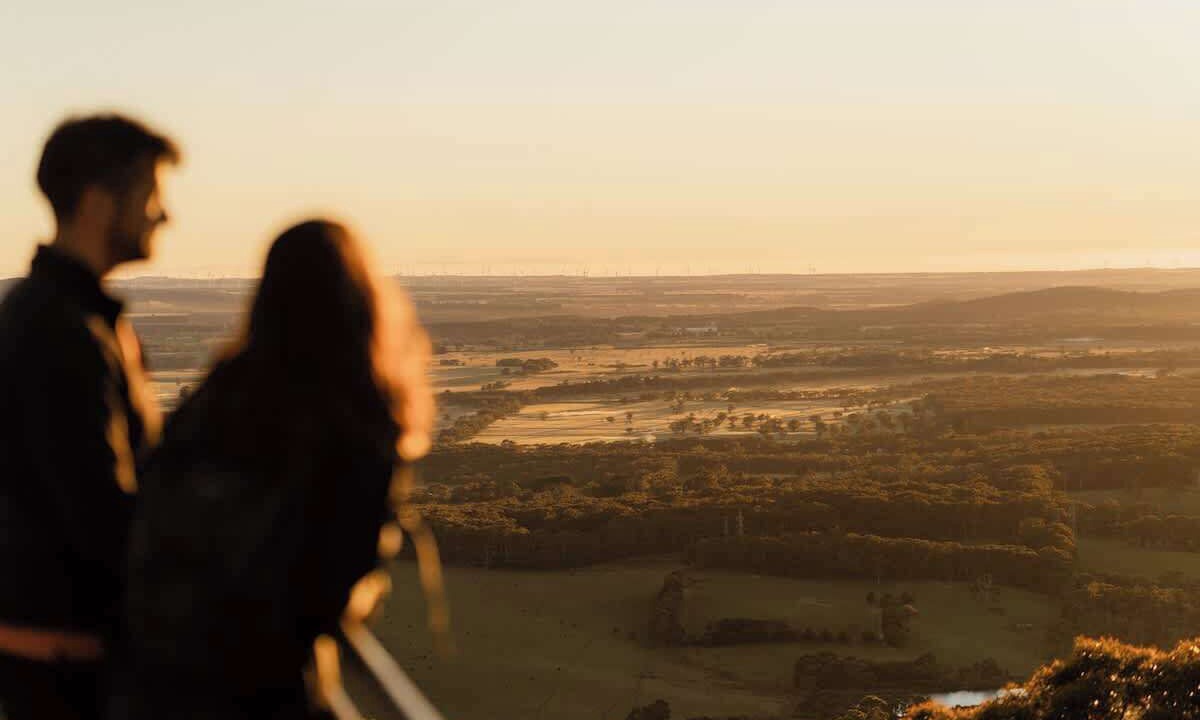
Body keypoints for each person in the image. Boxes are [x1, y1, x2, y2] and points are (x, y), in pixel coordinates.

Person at [114, 219, 434, 719]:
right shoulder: (355, 418)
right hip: (259, 692)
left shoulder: (215, 398)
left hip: (149, 683)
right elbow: (332, 586)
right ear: (363, 301)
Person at [0, 114, 179, 720]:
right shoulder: (60, 332)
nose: (164, 214)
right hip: (69, 669)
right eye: (152, 195)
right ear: (101, 203)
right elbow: (102, 517)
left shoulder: (62, 318)